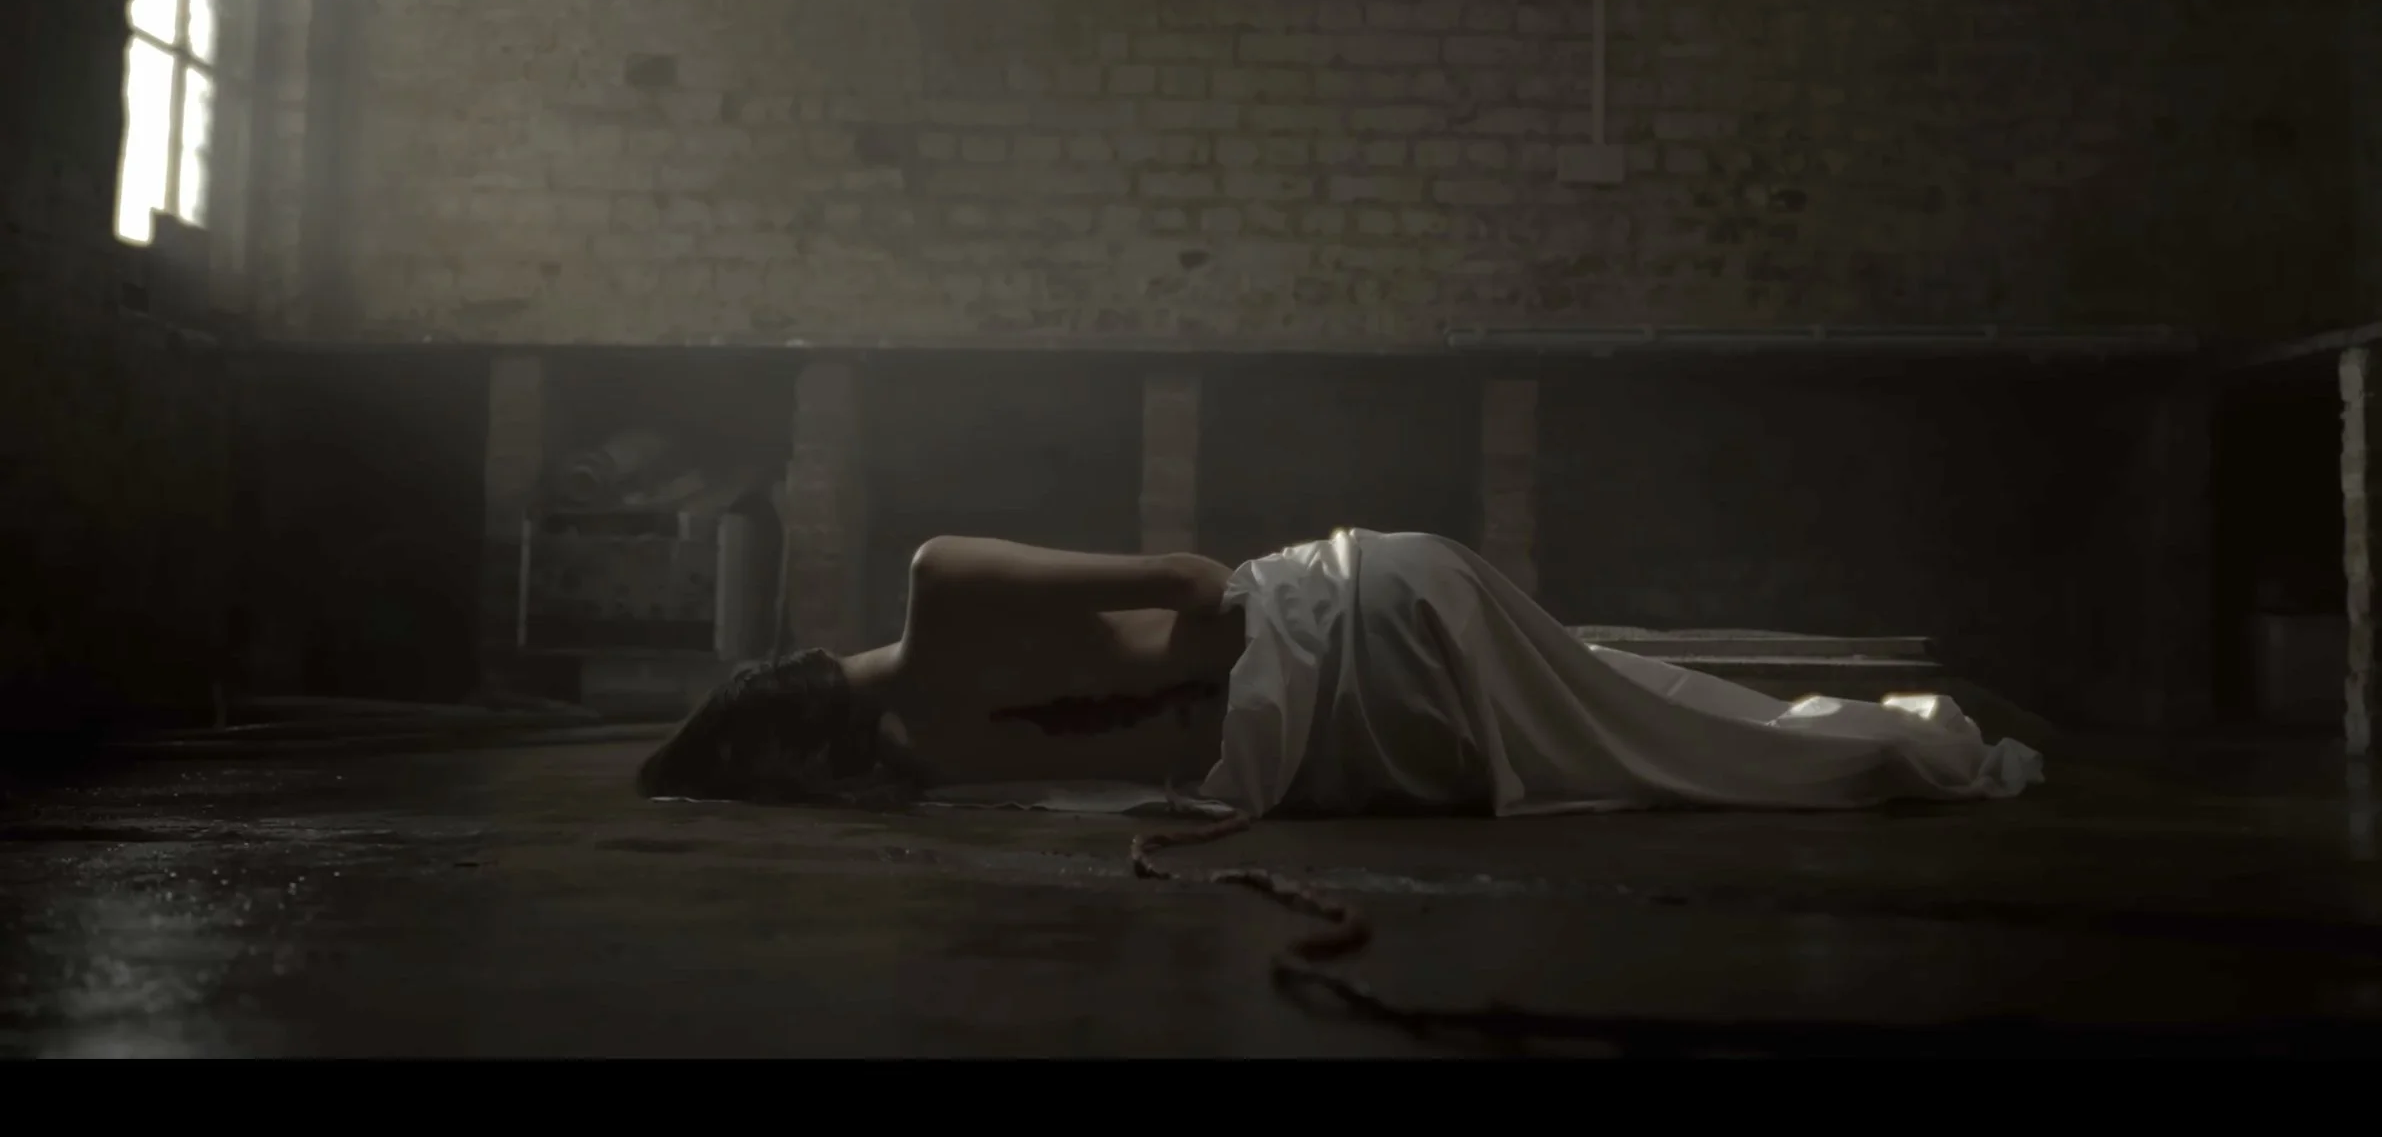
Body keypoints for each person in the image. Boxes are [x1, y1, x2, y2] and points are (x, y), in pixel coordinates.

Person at [635, 529, 2044, 816]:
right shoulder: (935, 709)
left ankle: (1890, 751)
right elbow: (1197, 587)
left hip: (1358, 663)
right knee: (1654, 728)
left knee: (1649, 740)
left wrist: (1184, 700)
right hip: (1358, 655)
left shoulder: (941, 676)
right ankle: (1893, 748)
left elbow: (1194, 611)